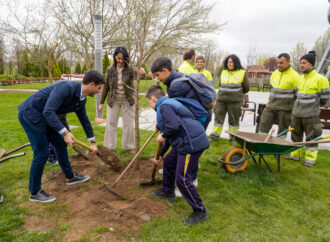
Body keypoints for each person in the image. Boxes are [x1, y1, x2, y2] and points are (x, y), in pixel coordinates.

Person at [18, 70, 104, 202]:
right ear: (92, 84)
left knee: (60, 144)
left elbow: (84, 119)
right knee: (42, 153)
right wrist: (65, 132)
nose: (98, 92)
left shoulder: (81, 99)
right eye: (98, 88)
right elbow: (49, 111)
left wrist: (92, 141)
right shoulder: (65, 88)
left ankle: (70, 177)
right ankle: (34, 192)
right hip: (31, 114)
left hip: (46, 116)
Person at [146, 84, 209, 225]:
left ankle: (200, 211)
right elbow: (172, 132)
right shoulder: (169, 103)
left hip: (190, 144)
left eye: (148, 102)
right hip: (187, 139)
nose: (149, 105)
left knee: (182, 179)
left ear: (152, 99)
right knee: (168, 161)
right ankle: (168, 192)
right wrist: (161, 154)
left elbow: (172, 127)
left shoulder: (164, 107)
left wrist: (163, 134)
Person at [151, 57, 212, 194]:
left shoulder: (175, 86)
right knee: (185, 146)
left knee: (190, 146)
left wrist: (164, 132)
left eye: (157, 75)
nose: (157, 78)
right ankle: (176, 170)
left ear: (165, 71)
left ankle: (190, 179)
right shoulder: (177, 77)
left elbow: (174, 118)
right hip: (201, 115)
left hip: (199, 118)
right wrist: (161, 125)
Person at [284, 51, 330, 167]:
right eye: (300, 63)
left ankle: (310, 159)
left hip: (311, 115)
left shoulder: (321, 79)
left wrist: (312, 106)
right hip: (297, 114)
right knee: (296, 135)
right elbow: (296, 95)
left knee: (312, 137)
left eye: (304, 63)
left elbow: (324, 99)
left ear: (311, 64)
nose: (301, 65)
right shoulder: (299, 79)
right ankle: (295, 155)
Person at [99, 46, 144, 154]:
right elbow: (105, 87)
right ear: (115, 57)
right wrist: (101, 103)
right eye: (117, 58)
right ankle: (109, 146)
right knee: (111, 123)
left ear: (126, 58)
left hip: (127, 100)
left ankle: (129, 146)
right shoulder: (110, 69)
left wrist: (142, 73)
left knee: (128, 124)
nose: (119, 61)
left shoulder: (131, 68)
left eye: (122, 59)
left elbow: (140, 77)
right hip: (113, 100)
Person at [209, 54, 250, 141]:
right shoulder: (223, 72)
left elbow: (246, 88)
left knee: (233, 121)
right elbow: (220, 85)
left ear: (236, 62)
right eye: (228, 62)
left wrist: (236, 94)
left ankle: (234, 138)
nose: (229, 64)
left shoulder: (242, 73)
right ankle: (214, 136)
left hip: (235, 102)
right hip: (221, 101)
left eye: (231, 62)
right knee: (218, 119)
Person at [259, 53, 300, 138]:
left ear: (288, 62)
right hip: (271, 107)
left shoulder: (295, 76)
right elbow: (272, 90)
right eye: (278, 63)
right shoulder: (274, 74)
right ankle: (261, 147)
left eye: (281, 63)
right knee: (263, 127)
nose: (279, 65)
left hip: (285, 110)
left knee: (282, 132)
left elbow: (298, 95)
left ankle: (278, 150)